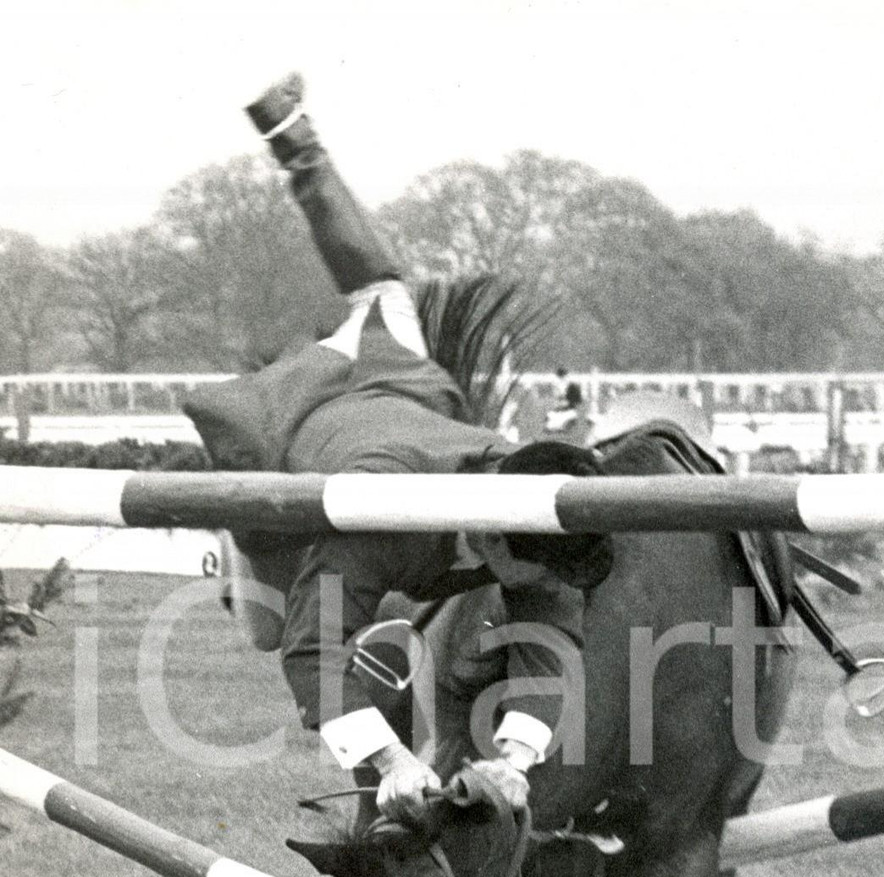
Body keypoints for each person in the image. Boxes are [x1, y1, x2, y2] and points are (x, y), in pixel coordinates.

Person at [183, 73, 611, 837]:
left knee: (382, 288)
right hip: (287, 441)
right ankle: (296, 145)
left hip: (409, 401)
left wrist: (514, 757)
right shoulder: (379, 517)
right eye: (533, 571)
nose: (543, 585)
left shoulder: (533, 505)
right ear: (491, 538)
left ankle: (294, 136)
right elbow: (311, 649)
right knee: (271, 625)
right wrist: (390, 763)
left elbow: (551, 640)